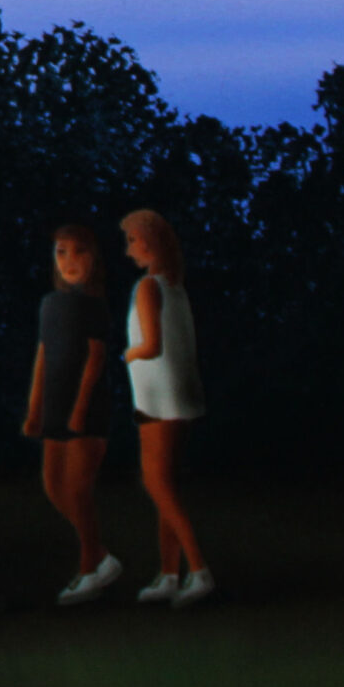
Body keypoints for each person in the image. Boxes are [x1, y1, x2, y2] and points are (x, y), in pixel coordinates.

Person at [22, 222, 120, 605]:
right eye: (61, 253)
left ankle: (87, 570)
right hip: (54, 406)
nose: (70, 261)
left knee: (78, 490)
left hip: (87, 409)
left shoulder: (93, 305)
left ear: (93, 258)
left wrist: (80, 410)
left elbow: (95, 359)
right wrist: (34, 410)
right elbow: (43, 357)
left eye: (78, 252)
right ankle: (100, 556)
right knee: (53, 486)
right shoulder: (50, 304)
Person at [121, 208, 212, 606]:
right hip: (179, 392)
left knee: (156, 482)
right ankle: (169, 573)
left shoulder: (148, 287)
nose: (129, 250)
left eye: (132, 241)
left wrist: (128, 353)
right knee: (166, 483)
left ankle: (199, 569)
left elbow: (151, 344)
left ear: (150, 243)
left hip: (158, 395)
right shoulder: (175, 285)